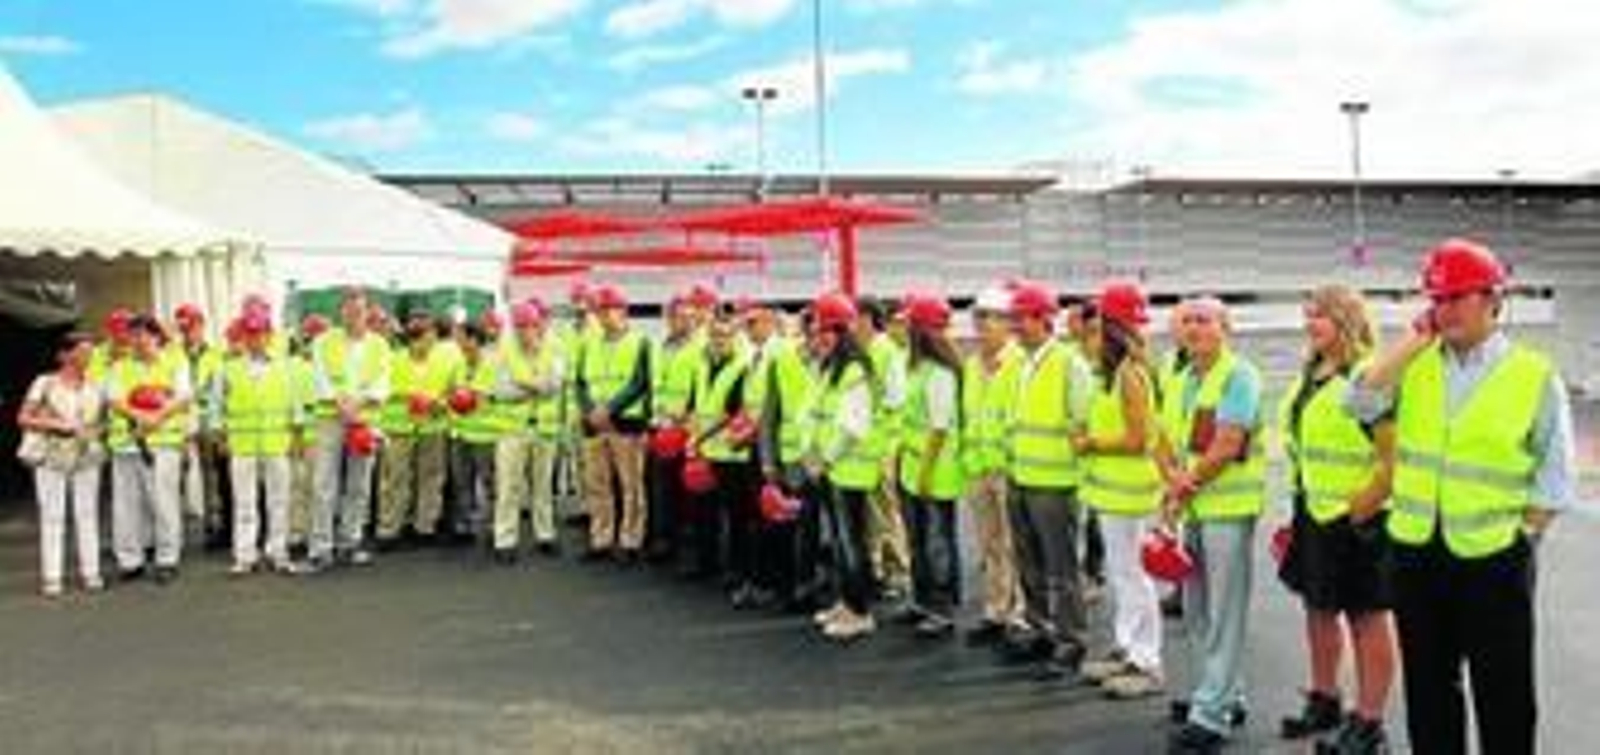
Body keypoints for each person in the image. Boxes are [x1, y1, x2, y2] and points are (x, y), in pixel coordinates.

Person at [1347, 239, 1575, 755]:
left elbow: (1555, 475)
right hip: (1415, 553)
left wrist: (1525, 537)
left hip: (1495, 558)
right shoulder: (1415, 364)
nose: (1443, 309)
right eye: (1436, 298)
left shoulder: (1533, 374)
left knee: (1504, 693)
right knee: (1429, 692)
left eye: (1456, 297)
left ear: (1494, 300)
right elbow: (1356, 403)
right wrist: (1411, 342)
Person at [1274, 285, 1396, 753]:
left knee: (1366, 618)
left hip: (1358, 517)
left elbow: (1392, 460)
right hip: (1313, 510)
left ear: (1345, 318)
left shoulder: (1367, 374)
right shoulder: (1312, 372)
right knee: (1318, 609)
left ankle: (1369, 724)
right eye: (1307, 315)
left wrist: (1357, 511)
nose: (1310, 324)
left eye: (1319, 316)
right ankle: (1324, 699)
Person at [1158, 297, 1267, 754]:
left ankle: (1212, 713)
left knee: (1223, 613)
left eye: (1204, 320)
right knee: (1198, 609)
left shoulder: (1238, 375)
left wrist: (1183, 485)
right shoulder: (1183, 378)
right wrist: (1173, 484)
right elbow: (1166, 439)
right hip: (1197, 509)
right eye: (1187, 321)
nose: (1194, 328)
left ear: (1226, 327)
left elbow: (1227, 443)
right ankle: (1223, 693)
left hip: (1227, 510)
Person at [1074, 282, 1167, 700]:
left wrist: (1091, 443)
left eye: (1096, 327)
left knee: (1134, 577)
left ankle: (1146, 662)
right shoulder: (1112, 374)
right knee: (1122, 575)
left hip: (1130, 493)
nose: (1089, 335)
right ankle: (1127, 648)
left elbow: (1138, 438)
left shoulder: (1130, 373)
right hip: (1114, 494)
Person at [998, 281, 1093, 680]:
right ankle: (1041, 629)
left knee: (1062, 569)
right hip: (1021, 477)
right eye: (1013, 319)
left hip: (1055, 483)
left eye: (1021, 318)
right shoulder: (1019, 363)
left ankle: (1071, 642)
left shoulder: (1069, 363)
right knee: (1029, 563)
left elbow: (1082, 421)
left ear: (1044, 319)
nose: (1015, 326)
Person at [804, 293, 882, 642]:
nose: (820, 337)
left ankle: (860, 612)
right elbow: (816, 415)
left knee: (852, 544)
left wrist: (824, 458)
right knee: (840, 541)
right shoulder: (830, 367)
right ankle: (846, 603)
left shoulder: (853, 370)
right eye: (818, 331)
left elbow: (853, 426)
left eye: (828, 331)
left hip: (847, 470)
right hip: (833, 469)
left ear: (843, 332)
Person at [304, 288, 390, 573]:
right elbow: (319, 377)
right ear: (341, 312)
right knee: (323, 484)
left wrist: (359, 403)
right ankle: (320, 548)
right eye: (349, 310)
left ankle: (349, 543)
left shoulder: (380, 344)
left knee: (359, 485)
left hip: (365, 420)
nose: (354, 316)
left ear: (368, 313)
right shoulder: (323, 341)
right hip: (331, 418)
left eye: (360, 311)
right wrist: (341, 402)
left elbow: (382, 382)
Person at [895, 294, 966, 639]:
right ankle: (922, 600)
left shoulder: (939, 373)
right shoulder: (917, 368)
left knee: (937, 540)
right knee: (918, 539)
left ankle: (941, 607)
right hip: (913, 464)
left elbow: (939, 427)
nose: (903, 328)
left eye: (909, 323)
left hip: (933, 469)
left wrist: (924, 471)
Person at [105, 314, 194, 584]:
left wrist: (157, 417)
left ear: (157, 336)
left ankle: (167, 558)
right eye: (134, 335)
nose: (139, 341)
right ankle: (130, 560)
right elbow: (113, 399)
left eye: (144, 334)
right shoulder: (119, 367)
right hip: (126, 445)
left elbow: (184, 396)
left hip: (163, 445)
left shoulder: (175, 362)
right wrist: (140, 416)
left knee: (163, 503)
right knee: (126, 506)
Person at [959, 286, 1025, 646]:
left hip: (1008, 468)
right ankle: (995, 610)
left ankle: (1019, 613)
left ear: (1008, 323)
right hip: (978, 468)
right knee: (989, 545)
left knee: (1016, 545)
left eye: (990, 317)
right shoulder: (971, 365)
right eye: (978, 316)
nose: (982, 324)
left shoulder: (1019, 364)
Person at [17, 333, 106, 597]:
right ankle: (52, 577)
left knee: (87, 514)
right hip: (51, 455)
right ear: (65, 355)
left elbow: (102, 421)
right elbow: (23, 417)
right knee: (53, 516)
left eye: (90, 352)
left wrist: (95, 432)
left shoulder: (96, 385)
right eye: (83, 351)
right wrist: (57, 425)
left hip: (86, 454)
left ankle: (91, 572)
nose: (88, 357)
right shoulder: (44, 383)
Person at [213, 312, 301, 575]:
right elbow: (216, 407)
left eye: (260, 333)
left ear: (269, 336)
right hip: (242, 445)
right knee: (245, 503)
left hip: (276, 443)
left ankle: (278, 552)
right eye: (250, 334)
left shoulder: (284, 367)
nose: (255, 339)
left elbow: (295, 406)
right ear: (243, 336)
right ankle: (245, 556)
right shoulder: (227, 368)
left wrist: (296, 438)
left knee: (279, 501)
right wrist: (220, 437)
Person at [752, 302, 821, 612]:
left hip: (831, 461)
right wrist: (767, 461)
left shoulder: (841, 364)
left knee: (820, 530)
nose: (817, 335)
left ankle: (813, 586)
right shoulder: (782, 361)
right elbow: (769, 416)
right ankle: (794, 587)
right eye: (814, 328)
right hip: (792, 461)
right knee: (792, 528)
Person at [576, 285, 652, 564]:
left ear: (624, 312)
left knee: (631, 485)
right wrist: (589, 411)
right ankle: (601, 539)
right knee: (597, 485)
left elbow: (640, 382)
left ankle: (631, 540)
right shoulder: (588, 344)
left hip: (626, 423)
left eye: (611, 310)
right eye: (601, 310)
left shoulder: (640, 342)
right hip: (594, 424)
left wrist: (609, 409)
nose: (605, 316)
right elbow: (580, 383)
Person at [689, 311, 757, 604]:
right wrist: (696, 437)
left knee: (737, 516)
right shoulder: (704, 364)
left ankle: (738, 571)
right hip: (708, 452)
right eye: (715, 335)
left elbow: (732, 411)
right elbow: (697, 404)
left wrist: (700, 438)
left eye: (725, 335)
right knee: (705, 513)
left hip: (732, 453)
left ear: (735, 338)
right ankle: (709, 564)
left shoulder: (742, 366)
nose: (718, 340)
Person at [492, 301, 566, 560]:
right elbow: (501, 391)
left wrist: (523, 383)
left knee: (543, 486)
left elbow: (555, 385)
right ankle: (504, 540)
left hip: (545, 428)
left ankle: (545, 535)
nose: (525, 332)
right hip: (512, 429)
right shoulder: (504, 350)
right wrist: (536, 385)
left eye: (529, 326)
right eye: (519, 327)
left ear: (539, 325)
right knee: (508, 487)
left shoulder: (555, 347)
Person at [376, 309, 453, 549]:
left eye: (433, 337)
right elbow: (384, 391)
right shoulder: (393, 359)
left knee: (431, 478)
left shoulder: (443, 360)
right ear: (414, 338)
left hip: (432, 427)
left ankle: (425, 527)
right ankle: (390, 529)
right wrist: (414, 397)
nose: (432, 343)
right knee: (395, 480)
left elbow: (453, 390)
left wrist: (441, 403)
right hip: (400, 429)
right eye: (428, 338)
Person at [854, 297, 913, 604]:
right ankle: (877, 569)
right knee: (871, 514)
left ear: (868, 319)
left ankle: (898, 573)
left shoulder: (885, 351)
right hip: (864, 447)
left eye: (856, 317)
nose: (852, 324)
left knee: (887, 512)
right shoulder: (862, 350)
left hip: (883, 446)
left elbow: (895, 400)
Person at [648, 295, 703, 565]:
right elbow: (656, 385)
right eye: (679, 316)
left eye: (689, 317)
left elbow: (702, 389)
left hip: (687, 429)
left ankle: (687, 548)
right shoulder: (661, 347)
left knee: (688, 493)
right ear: (668, 319)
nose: (685, 322)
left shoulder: (700, 348)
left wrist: (688, 415)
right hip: (661, 427)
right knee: (662, 489)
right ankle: (663, 541)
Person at [169, 303, 227, 550]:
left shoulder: (216, 354)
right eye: (183, 328)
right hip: (177, 420)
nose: (188, 332)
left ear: (201, 326)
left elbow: (219, 390)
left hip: (205, 419)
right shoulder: (170, 353)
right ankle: (173, 532)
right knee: (175, 476)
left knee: (210, 476)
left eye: (192, 327)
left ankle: (212, 526)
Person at [448, 323, 501, 548]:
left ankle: (495, 526)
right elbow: (453, 392)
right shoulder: (458, 364)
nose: (456, 342)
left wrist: (463, 398)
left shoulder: (491, 363)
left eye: (460, 337)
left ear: (473, 339)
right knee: (462, 482)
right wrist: (457, 398)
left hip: (485, 434)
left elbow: (477, 399)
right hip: (460, 432)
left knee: (490, 483)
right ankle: (465, 525)